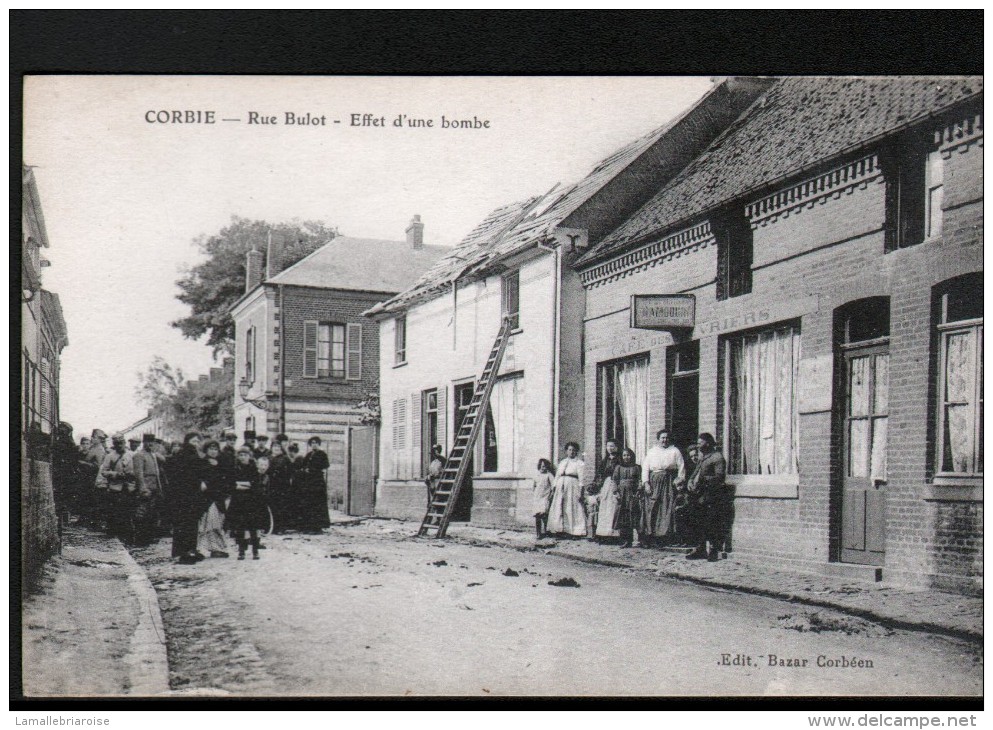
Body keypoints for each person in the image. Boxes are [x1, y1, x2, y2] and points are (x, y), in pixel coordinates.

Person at [166, 432, 208, 563]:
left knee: (190, 523)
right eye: (193, 441)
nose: (195, 444)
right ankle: (183, 552)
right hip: (184, 495)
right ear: (187, 441)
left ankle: (189, 550)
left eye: (197, 441)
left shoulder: (192, 455)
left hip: (190, 495)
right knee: (185, 523)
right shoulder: (185, 455)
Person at [686, 433, 728, 562]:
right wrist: (690, 481)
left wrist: (702, 480)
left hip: (711, 495)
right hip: (699, 495)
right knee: (699, 522)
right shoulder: (702, 457)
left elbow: (719, 477)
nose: (698, 445)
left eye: (700, 443)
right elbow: (696, 472)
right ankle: (700, 549)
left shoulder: (717, 457)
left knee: (711, 523)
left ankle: (713, 550)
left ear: (708, 443)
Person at [639, 430, 686, 547]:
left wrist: (679, 480)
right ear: (658, 439)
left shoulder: (675, 451)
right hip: (654, 481)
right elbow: (645, 468)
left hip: (669, 481)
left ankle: (664, 537)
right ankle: (651, 535)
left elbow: (681, 467)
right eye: (662, 438)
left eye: (666, 438)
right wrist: (646, 483)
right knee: (653, 507)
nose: (665, 440)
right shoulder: (652, 451)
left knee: (667, 507)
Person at [226, 447, 268, 560]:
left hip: (252, 501)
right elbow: (231, 484)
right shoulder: (235, 468)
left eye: (245, 455)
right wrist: (243, 485)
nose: (242, 457)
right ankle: (241, 550)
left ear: (249, 456)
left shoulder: (253, 468)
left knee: (253, 526)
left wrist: (240, 485)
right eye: (240, 455)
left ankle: (255, 550)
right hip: (238, 501)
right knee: (240, 527)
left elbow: (254, 484)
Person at [98, 435, 135, 540]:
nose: (119, 445)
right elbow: (104, 471)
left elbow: (138, 469)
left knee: (127, 512)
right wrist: (115, 474)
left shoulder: (132, 455)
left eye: (121, 443)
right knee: (114, 511)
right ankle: (113, 533)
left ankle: (126, 534)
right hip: (115, 487)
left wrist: (131, 474)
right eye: (117, 444)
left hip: (129, 487)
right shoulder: (110, 456)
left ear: (124, 443)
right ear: (114, 445)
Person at [197, 440, 230, 558]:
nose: (213, 451)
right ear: (206, 450)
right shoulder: (202, 463)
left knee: (217, 523)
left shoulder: (221, 463)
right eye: (211, 449)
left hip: (219, 497)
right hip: (207, 498)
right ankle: (201, 549)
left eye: (216, 449)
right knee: (206, 524)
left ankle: (216, 548)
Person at [546, 442, 586, 537]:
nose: (571, 452)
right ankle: (559, 529)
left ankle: (574, 531)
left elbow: (581, 479)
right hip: (560, 486)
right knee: (559, 506)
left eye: (573, 450)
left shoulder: (579, 463)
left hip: (572, 486)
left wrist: (581, 491)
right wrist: (554, 487)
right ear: (566, 451)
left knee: (571, 507)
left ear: (577, 452)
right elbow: (557, 476)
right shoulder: (563, 462)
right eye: (569, 450)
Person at [132, 433, 165, 546]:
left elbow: (157, 473)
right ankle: (140, 540)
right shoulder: (139, 455)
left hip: (154, 489)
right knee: (142, 515)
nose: (150, 444)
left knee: (152, 515)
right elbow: (139, 474)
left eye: (152, 442)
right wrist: (143, 489)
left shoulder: (153, 455)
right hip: (146, 489)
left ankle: (148, 538)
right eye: (148, 441)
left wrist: (159, 488)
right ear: (144, 442)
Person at [297, 436, 331, 532]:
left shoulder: (322, 454)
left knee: (318, 504)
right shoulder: (308, 455)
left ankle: (318, 526)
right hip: (309, 482)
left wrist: (313, 469)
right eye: (312, 443)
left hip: (318, 482)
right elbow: (303, 465)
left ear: (319, 444)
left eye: (316, 443)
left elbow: (325, 466)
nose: (314, 445)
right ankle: (309, 525)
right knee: (309, 504)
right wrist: (305, 470)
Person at [612, 448, 642, 548]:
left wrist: (638, 491)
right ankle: (626, 540)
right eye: (624, 455)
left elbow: (640, 480)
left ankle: (641, 539)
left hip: (633, 495)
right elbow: (615, 481)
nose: (626, 457)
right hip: (622, 495)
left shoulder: (637, 467)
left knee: (635, 515)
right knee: (623, 516)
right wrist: (616, 492)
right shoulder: (618, 467)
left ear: (632, 456)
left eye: (628, 455)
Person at [593, 439, 622, 540]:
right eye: (608, 446)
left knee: (613, 508)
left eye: (612, 446)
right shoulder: (605, 460)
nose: (610, 448)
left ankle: (613, 535)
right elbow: (600, 474)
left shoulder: (619, 459)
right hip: (606, 484)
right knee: (604, 508)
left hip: (615, 484)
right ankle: (603, 534)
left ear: (617, 448)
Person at [267, 441, 294, 533]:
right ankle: (272, 527)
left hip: (282, 486)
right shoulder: (268, 458)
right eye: (274, 446)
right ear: (271, 448)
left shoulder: (285, 458)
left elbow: (291, 471)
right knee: (272, 506)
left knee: (281, 506)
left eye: (278, 446)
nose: (276, 448)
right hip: (271, 485)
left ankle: (281, 527)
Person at [532, 458, 554, 539]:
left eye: (544, 466)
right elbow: (534, 485)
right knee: (537, 515)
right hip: (537, 497)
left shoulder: (549, 475)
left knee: (544, 514)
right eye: (541, 466)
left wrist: (551, 496)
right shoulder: (537, 475)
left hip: (545, 497)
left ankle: (546, 530)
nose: (543, 468)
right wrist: (534, 494)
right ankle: (538, 533)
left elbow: (553, 486)